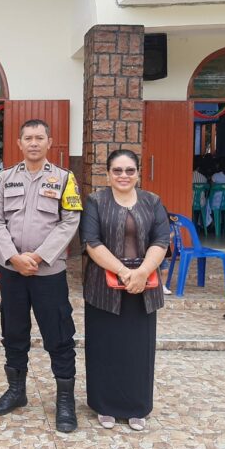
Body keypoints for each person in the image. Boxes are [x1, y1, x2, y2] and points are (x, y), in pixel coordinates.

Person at [0, 119, 83, 433]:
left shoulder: (64, 179)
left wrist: (39, 256)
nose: (33, 143)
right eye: (27, 138)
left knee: (58, 335)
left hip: (48, 272)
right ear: (18, 143)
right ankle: (16, 392)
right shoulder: (3, 179)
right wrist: (14, 257)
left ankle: (65, 401)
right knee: (13, 332)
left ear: (49, 141)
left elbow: (70, 222)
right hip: (13, 271)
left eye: (39, 137)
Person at [79, 149, 169, 432]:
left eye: (129, 170)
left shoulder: (152, 201)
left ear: (138, 173)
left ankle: (136, 407)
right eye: (117, 170)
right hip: (103, 288)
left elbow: (161, 240)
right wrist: (123, 272)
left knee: (137, 350)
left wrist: (141, 273)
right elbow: (91, 242)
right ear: (107, 174)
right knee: (104, 347)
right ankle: (104, 405)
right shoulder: (95, 200)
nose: (123, 176)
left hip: (143, 287)